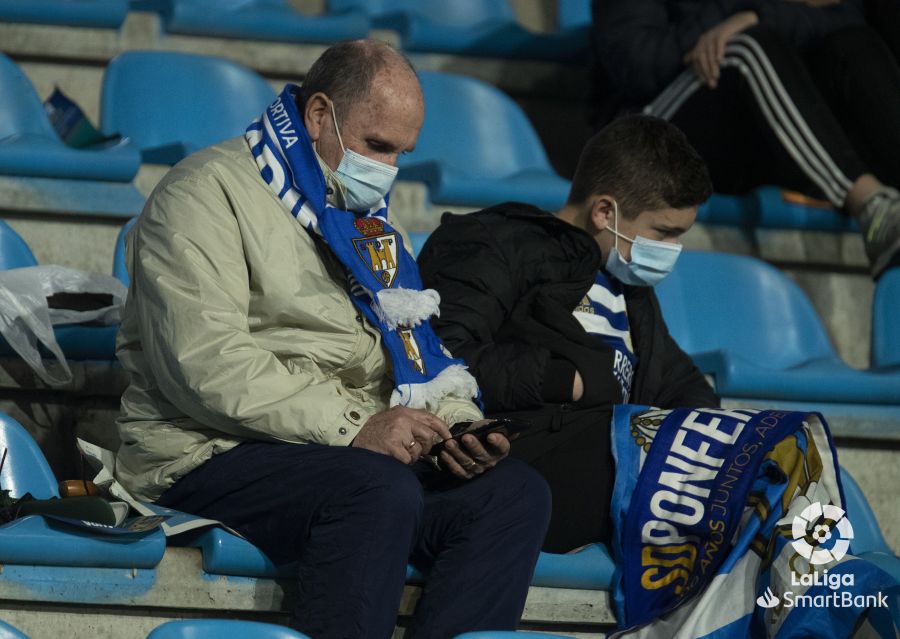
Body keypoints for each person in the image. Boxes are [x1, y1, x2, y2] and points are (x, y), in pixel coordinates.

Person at [113, 40, 551, 639]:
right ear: (319, 115)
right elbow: (205, 365)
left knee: (513, 494)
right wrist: (355, 427)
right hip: (206, 449)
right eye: (377, 146)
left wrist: (457, 426)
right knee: (375, 488)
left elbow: (414, 349)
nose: (390, 168)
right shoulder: (202, 193)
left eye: (402, 152)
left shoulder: (366, 218)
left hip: (336, 454)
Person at [418, 115, 720, 554]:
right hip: (528, 463)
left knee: (770, 449)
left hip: (616, 465)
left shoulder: (632, 292)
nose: (672, 251)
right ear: (604, 212)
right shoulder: (496, 243)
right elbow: (438, 355)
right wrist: (565, 379)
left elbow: (681, 384)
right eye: (664, 233)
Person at [590, 0, 900, 279]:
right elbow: (637, 63)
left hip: (754, 129)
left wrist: (757, 13)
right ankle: (873, 208)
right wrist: (733, 12)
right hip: (654, 131)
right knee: (747, 48)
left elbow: (845, 17)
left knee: (852, 44)